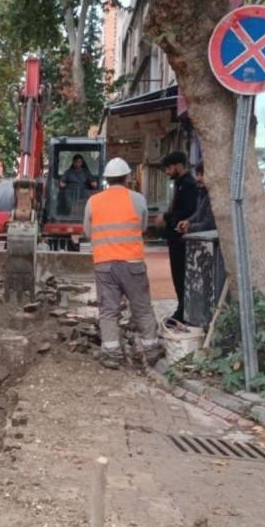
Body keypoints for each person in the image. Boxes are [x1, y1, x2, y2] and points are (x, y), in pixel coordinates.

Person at [84, 157, 162, 369]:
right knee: (142, 308)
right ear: (127, 177)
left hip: (104, 264)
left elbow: (88, 231)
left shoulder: (94, 201)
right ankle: (152, 349)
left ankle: (111, 353)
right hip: (132, 263)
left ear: (107, 179)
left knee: (108, 310)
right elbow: (143, 226)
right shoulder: (137, 199)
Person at [161, 151, 199, 324]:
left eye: (168, 168)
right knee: (177, 275)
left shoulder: (189, 185)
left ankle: (183, 310)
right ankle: (182, 308)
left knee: (182, 275)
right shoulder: (179, 183)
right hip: (175, 238)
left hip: (182, 239)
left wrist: (168, 217)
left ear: (177, 165)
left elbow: (189, 211)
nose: (167, 172)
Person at [175, 162, 214, 234]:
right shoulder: (202, 193)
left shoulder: (214, 196)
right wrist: (188, 221)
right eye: (197, 174)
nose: (198, 178)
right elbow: (198, 213)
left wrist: (190, 227)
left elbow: (209, 224)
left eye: (202, 175)